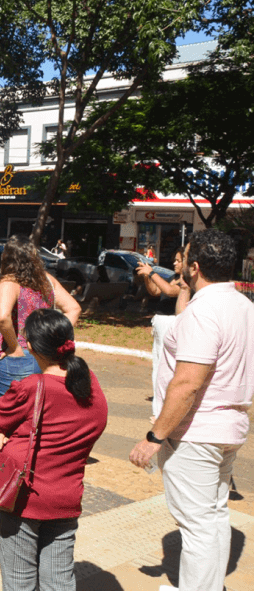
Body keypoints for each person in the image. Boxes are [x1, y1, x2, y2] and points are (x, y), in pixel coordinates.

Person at [130, 230, 254, 591]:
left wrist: (154, 437)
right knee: (212, 517)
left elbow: (187, 384)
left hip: (196, 433)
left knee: (198, 525)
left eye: (184, 258)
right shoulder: (243, 306)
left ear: (195, 267)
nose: (179, 264)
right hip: (228, 426)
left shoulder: (205, 312)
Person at [0, 308, 108, 591]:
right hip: (67, 496)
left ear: (30, 346)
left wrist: (6, 434)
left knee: (19, 582)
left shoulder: (31, 387)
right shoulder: (89, 383)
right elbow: (96, 423)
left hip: (23, 498)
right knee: (59, 581)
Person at [0, 235, 80, 401]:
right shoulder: (47, 280)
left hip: (17, 357)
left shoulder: (10, 282)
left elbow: (2, 317)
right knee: (36, 408)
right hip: (43, 355)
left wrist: (14, 347)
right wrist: (51, 338)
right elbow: (74, 309)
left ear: (7, 257)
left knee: (9, 411)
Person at [136, 246, 190, 418]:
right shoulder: (174, 277)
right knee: (158, 365)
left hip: (171, 324)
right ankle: (159, 408)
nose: (175, 263)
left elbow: (169, 291)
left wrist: (151, 273)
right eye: (175, 260)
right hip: (161, 325)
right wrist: (147, 276)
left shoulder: (186, 282)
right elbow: (155, 291)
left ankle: (165, 410)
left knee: (168, 368)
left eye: (179, 260)